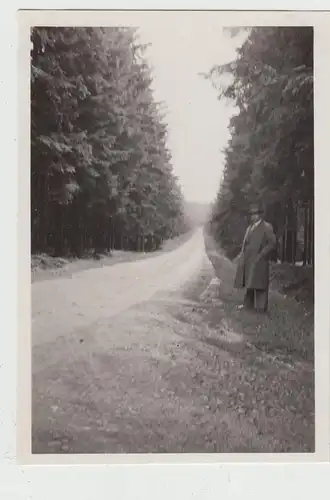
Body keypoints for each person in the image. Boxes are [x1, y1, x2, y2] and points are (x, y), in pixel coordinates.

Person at [234, 204, 277, 312]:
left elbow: (272, 243)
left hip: (260, 260)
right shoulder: (250, 227)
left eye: (255, 214)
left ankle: (260, 308)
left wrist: (262, 254)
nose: (253, 216)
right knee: (250, 283)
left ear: (259, 215)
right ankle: (248, 305)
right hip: (249, 260)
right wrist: (242, 255)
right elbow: (246, 243)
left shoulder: (267, 227)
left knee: (260, 284)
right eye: (251, 214)